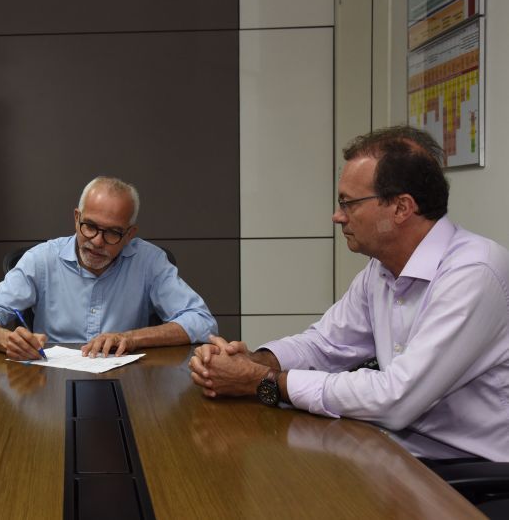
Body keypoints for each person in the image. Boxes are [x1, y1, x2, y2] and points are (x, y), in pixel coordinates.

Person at [189, 125, 509, 462]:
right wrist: (251, 362)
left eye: (349, 203)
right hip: (394, 452)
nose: (337, 216)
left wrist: (263, 381)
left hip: (467, 473)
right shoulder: (381, 268)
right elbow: (327, 344)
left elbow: (397, 399)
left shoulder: (474, 272)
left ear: (401, 208)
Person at [0, 176, 217, 360]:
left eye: (113, 233)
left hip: (128, 383)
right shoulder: (41, 260)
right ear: (76, 218)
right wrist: (9, 341)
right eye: (90, 226)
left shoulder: (149, 261)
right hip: (49, 384)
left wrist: (129, 338)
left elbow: (202, 322)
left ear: (129, 234)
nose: (97, 241)